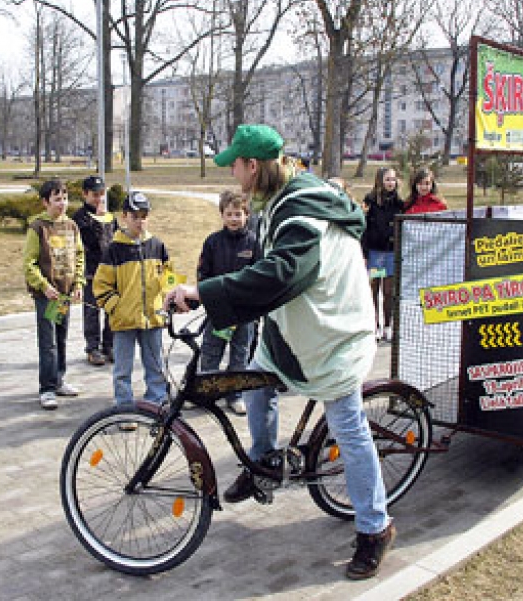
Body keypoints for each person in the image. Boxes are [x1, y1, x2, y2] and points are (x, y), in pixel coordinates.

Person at [166, 124, 395, 581]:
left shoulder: (299, 212)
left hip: (334, 333)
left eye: (234, 163)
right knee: (255, 381)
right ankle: (266, 461)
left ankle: (375, 527)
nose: (231, 170)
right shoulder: (285, 197)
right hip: (297, 328)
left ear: (252, 166)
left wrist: (204, 292)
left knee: (347, 427)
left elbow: (281, 274)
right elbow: (270, 270)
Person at [93, 191, 172, 415]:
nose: (140, 221)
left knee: (155, 365)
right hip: (124, 322)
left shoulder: (157, 245)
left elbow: (169, 275)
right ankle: (124, 407)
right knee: (122, 369)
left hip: (152, 319)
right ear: (124, 216)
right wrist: (116, 307)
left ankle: (156, 402)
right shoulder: (114, 250)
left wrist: (171, 296)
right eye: (135, 216)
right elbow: (101, 286)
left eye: (144, 216)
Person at [196, 190, 259, 416]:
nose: (234, 219)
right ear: (222, 215)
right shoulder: (212, 242)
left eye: (238, 214)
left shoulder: (253, 242)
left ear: (247, 215)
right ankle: (208, 393)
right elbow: (203, 274)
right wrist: (209, 299)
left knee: (240, 355)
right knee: (211, 352)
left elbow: (260, 276)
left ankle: (235, 395)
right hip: (219, 311)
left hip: (245, 313)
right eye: (229, 214)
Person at [24, 178, 85, 410]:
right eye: (57, 199)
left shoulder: (71, 226)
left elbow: (79, 256)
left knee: (61, 338)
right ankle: (47, 388)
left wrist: (78, 283)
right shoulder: (38, 228)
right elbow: (29, 263)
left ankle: (59, 379)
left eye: (65, 198)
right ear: (45, 202)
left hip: (65, 294)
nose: (62, 203)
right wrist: (43, 285)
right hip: (47, 296)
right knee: (47, 342)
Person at [72, 175, 115, 366]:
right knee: (91, 311)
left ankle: (110, 345)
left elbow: (114, 239)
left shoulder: (109, 216)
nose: (99, 199)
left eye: (101, 194)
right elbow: (90, 241)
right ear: (85, 194)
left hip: (109, 271)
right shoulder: (80, 218)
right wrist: (98, 220)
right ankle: (92, 347)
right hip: (90, 271)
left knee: (111, 309)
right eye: (94, 195)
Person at [362, 166, 404, 342]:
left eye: (393, 179)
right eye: (387, 179)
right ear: (380, 181)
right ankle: (375, 326)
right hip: (375, 253)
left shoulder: (400, 203)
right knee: (374, 289)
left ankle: (388, 325)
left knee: (389, 291)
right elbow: (364, 228)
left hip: (390, 253)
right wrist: (364, 253)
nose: (390, 183)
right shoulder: (370, 201)